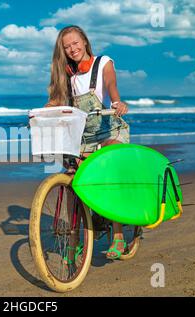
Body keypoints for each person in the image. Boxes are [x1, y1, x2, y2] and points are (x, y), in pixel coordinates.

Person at [45, 25, 130, 260]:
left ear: (84, 41)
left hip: (109, 128)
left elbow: (111, 84)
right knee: (73, 182)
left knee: (109, 170)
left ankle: (119, 235)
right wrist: (42, 113)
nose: (72, 49)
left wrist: (116, 102)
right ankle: (74, 244)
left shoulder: (103, 63)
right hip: (83, 136)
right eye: (67, 46)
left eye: (75, 43)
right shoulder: (67, 74)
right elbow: (55, 100)